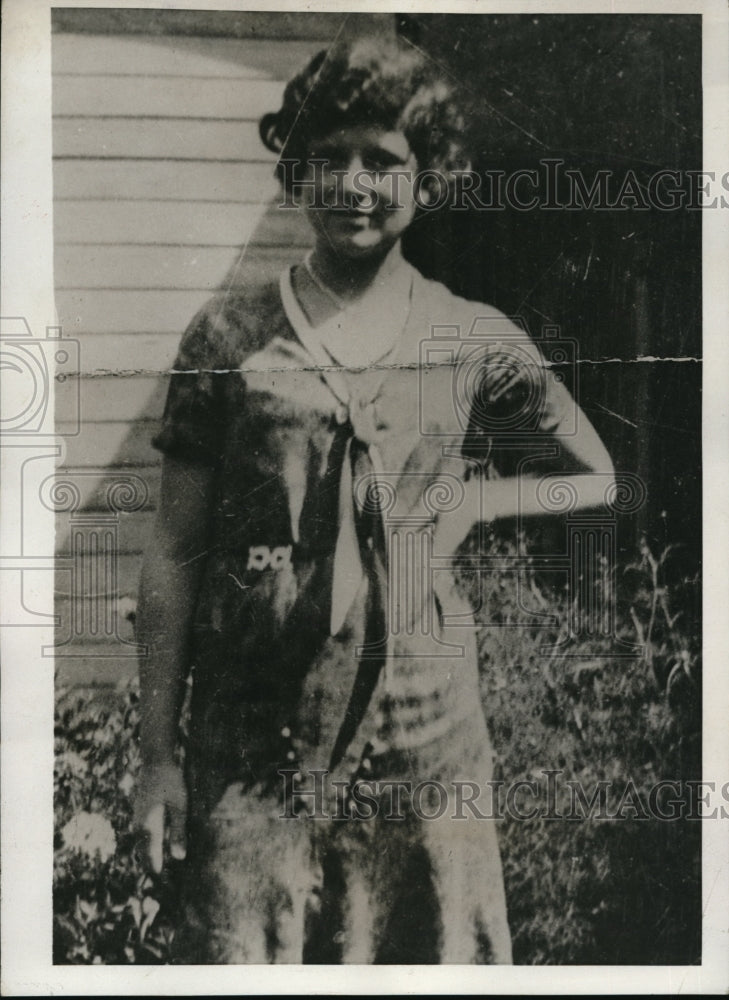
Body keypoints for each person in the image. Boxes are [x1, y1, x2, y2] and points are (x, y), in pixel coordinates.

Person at [134, 36, 615, 964]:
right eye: (329, 159)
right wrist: (157, 757)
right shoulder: (230, 336)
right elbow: (171, 553)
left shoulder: (470, 338)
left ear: (426, 180)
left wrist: (481, 502)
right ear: (296, 172)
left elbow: (595, 472)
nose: (355, 185)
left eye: (384, 163)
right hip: (255, 752)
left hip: (425, 739)